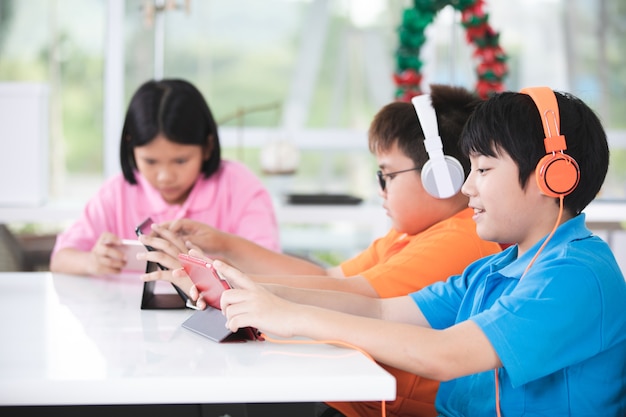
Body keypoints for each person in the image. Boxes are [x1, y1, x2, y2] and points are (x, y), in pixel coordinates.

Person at [214, 87, 626, 416]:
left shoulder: (575, 275)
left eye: (482, 169)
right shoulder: (495, 269)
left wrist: (291, 316)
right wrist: (249, 291)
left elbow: (443, 355)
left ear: (552, 177)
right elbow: (380, 309)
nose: (466, 188)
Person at [142, 84, 503, 417]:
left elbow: (358, 297)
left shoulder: (459, 238)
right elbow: (329, 278)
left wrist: (227, 279)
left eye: (386, 175)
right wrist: (222, 248)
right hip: (357, 397)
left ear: (441, 176)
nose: (380, 188)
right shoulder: (410, 235)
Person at [49, 78, 280, 282]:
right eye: (150, 161)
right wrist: (92, 262)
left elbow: (272, 271)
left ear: (207, 147)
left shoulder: (239, 187)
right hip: (124, 323)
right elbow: (60, 259)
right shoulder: (117, 193)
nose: (165, 176)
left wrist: (209, 262)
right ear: (131, 148)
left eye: (180, 161)